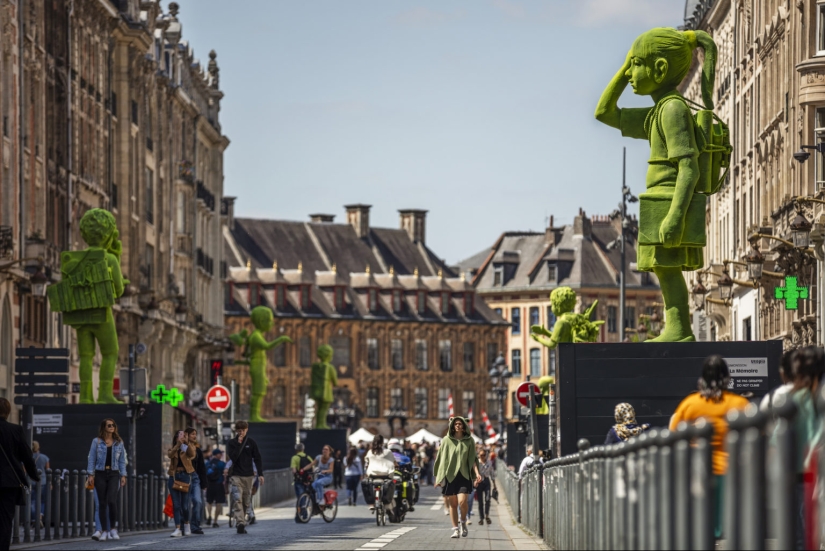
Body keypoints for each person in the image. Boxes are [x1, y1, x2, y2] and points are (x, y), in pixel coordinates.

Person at [595, 28, 721, 343]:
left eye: (637, 64)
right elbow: (604, 113)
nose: (630, 73)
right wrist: (626, 66)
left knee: (667, 269)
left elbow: (689, 167)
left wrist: (675, 216)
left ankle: (679, 329)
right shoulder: (658, 112)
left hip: (668, 199)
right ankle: (675, 328)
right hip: (659, 200)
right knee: (663, 269)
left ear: (660, 69)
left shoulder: (672, 109)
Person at [670, 355, 749, 539]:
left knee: (702, 523)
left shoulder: (690, 404)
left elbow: (673, 433)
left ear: (703, 378)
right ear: (727, 377)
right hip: (732, 469)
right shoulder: (739, 404)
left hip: (697, 469)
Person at [783, 346, 825, 549]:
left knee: (804, 514)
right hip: (812, 463)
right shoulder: (804, 395)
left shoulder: (795, 396)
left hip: (804, 465)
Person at [0, 398, 38, 551]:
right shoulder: (15, 430)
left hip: (8, 481)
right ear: (8, 412)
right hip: (9, 482)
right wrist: (34, 474)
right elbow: (26, 455)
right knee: (5, 519)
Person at [434, 417, 482, 539]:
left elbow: (473, 459)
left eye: (460, 424)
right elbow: (442, 459)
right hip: (450, 476)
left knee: (462, 502)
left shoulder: (469, 440)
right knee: (453, 504)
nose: (457, 426)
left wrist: (477, 474)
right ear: (452, 426)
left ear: (464, 426)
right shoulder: (446, 440)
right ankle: (456, 529)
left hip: (464, 475)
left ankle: (463, 521)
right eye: (455, 424)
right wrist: (438, 477)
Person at [87, 418, 127, 541]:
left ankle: (113, 529)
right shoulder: (96, 441)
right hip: (100, 473)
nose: (111, 427)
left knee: (112, 501)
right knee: (102, 502)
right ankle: (104, 531)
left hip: (114, 473)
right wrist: (90, 474)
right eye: (109, 425)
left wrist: (123, 475)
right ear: (104, 427)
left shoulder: (119, 442)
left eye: (113, 425)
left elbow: (122, 461)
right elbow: (92, 458)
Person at [224, 420, 263, 535]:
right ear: (236, 431)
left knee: (246, 501)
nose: (241, 432)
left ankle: (242, 520)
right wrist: (238, 444)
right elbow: (233, 457)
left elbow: (257, 458)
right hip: (236, 475)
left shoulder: (251, 442)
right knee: (237, 499)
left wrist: (260, 474)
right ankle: (240, 523)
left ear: (247, 430)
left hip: (249, 476)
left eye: (243, 430)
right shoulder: (232, 443)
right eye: (239, 430)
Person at [167, 430, 196, 537]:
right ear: (176, 437)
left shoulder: (188, 447)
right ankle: (178, 528)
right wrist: (177, 445)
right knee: (176, 504)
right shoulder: (173, 448)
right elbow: (170, 455)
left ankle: (187, 524)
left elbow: (192, 455)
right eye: (181, 435)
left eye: (184, 435)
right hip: (174, 476)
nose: (183, 437)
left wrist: (187, 443)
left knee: (185, 505)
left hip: (185, 476)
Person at [363, 435, 397, 510]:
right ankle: (387, 503)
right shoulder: (388, 452)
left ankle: (371, 504)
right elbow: (394, 462)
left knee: (367, 484)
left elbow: (366, 463)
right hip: (385, 475)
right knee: (392, 484)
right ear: (382, 442)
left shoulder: (370, 452)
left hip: (372, 475)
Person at [184, 428, 207, 535]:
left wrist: (204, 483)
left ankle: (195, 526)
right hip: (184, 477)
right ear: (187, 435)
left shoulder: (198, 450)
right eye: (192, 434)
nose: (194, 436)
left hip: (195, 477)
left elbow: (202, 467)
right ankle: (184, 525)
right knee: (185, 503)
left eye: (195, 434)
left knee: (198, 501)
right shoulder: (182, 447)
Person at [290, 443, 312, 522]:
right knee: (304, 497)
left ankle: (303, 515)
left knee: (300, 497)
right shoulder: (308, 457)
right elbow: (312, 467)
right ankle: (299, 516)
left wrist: (296, 474)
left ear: (296, 450)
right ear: (303, 449)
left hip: (299, 481)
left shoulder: (294, 457)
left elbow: (294, 470)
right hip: (307, 480)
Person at [205, 449, 226, 528]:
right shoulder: (221, 464)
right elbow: (226, 473)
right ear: (217, 455)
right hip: (219, 484)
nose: (221, 455)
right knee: (219, 503)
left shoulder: (207, 463)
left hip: (209, 485)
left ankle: (209, 516)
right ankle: (215, 521)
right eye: (220, 454)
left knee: (209, 502)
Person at [29, 441, 49, 525]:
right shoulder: (44, 457)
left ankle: (34, 519)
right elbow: (48, 470)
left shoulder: (28, 457)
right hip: (42, 481)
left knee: (32, 501)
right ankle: (40, 517)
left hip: (31, 481)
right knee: (42, 500)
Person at [477, 447, 496, 525]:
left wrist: (494, 484)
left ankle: (487, 515)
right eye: (481, 455)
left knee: (488, 498)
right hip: (479, 482)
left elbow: (492, 473)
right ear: (479, 455)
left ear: (486, 455)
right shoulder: (477, 463)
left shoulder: (489, 462)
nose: (482, 457)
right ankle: (481, 518)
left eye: (484, 455)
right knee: (480, 501)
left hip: (486, 481)